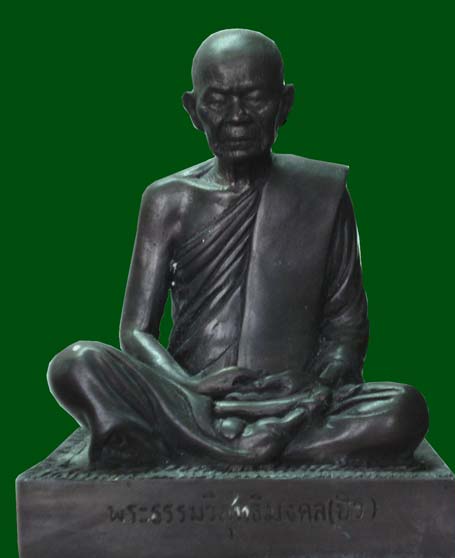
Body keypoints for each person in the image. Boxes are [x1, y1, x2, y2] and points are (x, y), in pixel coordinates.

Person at [47, 29, 428, 468]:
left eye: (255, 98)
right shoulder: (169, 200)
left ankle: (201, 446)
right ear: (193, 110)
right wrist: (190, 386)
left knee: (404, 409)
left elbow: (346, 329)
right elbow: (135, 332)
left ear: (285, 103)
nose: (236, 117)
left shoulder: (322, 192)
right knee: (76, 362)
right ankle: (245, 445)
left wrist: (316, 385)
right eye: (217, 100)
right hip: (187, 395)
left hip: (287, 400)